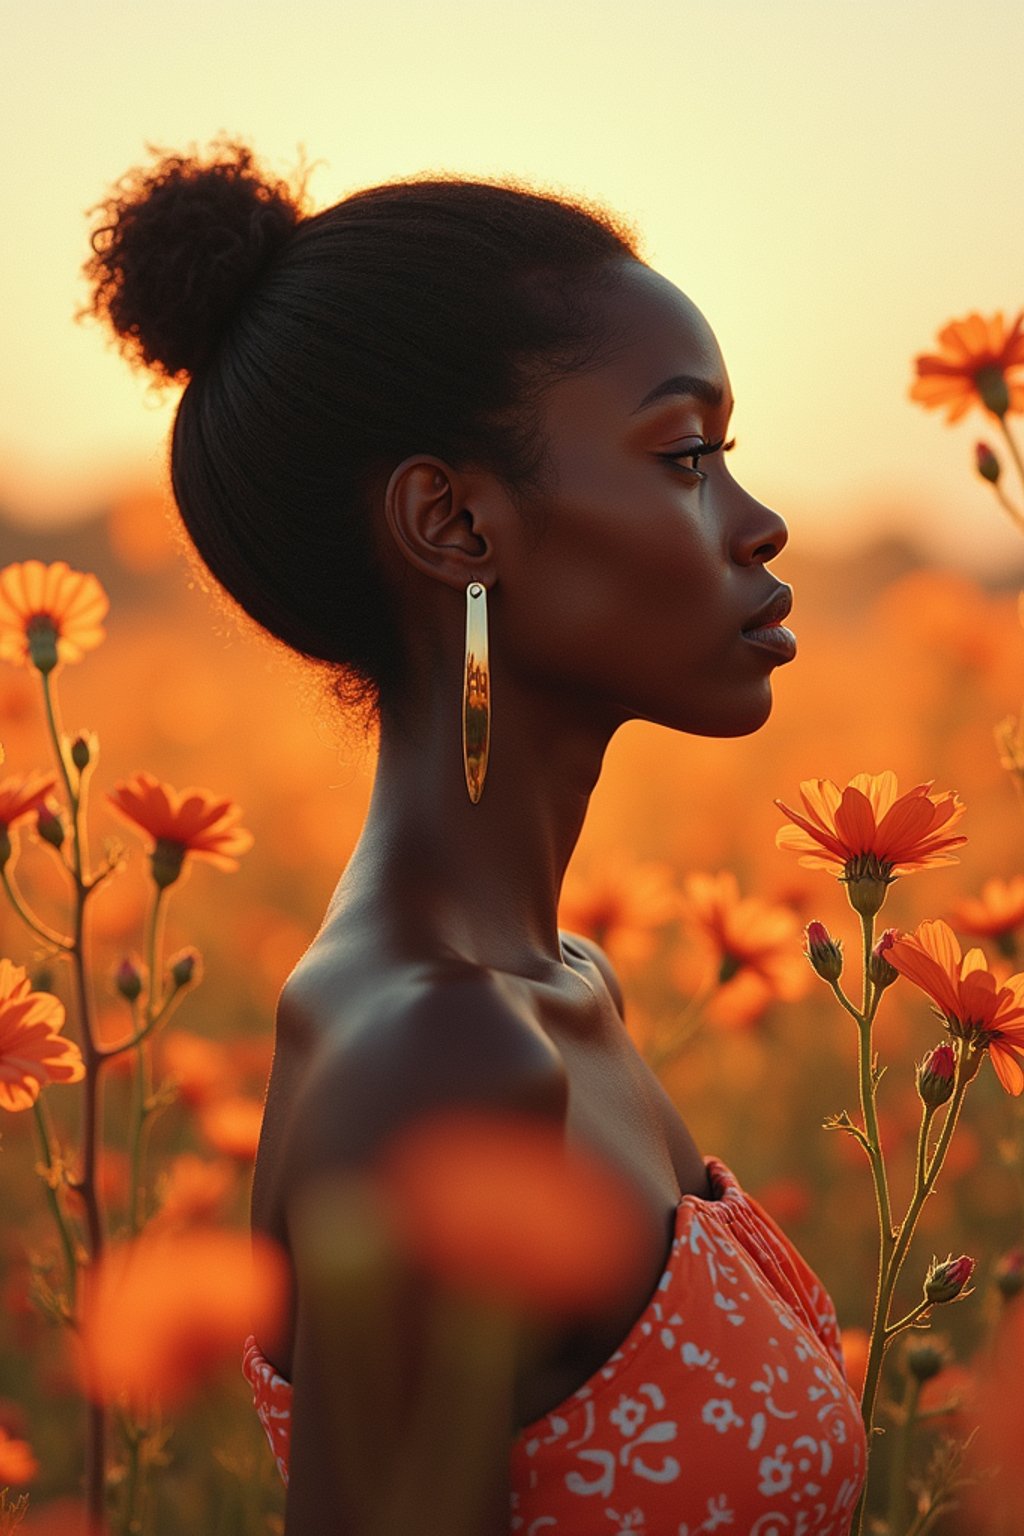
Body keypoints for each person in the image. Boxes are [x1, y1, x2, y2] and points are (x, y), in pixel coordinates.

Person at [83, 138, 866, 1535]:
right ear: (452, 523)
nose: (758, 524)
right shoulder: (443, 1058)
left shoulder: (562, 985)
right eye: (685, 455)